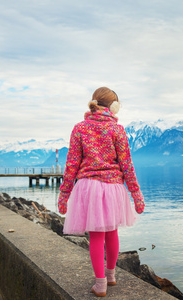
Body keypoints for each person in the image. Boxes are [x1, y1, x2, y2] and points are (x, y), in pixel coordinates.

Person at [57, 87, 145, 297]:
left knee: (96, 236)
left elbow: (71, 164)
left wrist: (64, 195)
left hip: (89, 186)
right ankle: (111, 276)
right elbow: (127, 165)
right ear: (113, 107)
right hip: (114, 187)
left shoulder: (80, 128)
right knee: (111, 231)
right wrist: (136, 195)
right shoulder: (118, 130)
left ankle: (100, 284)